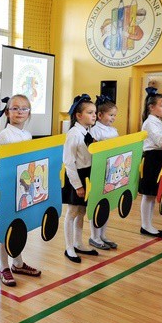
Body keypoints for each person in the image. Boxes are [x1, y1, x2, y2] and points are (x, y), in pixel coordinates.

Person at [0, 95, 42, 285]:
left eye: (24, 109)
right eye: (15, 108)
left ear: (29, 113)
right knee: (5, 227)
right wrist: (11, 162)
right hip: (8, 189)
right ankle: (3, 267)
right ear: (7, 112)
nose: (20, 112)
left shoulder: (26, 135)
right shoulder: (3, 136)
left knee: (19, 226)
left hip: (23, 190)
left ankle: (17, 263)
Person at [62, 93, 99, 261]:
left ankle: (78, 243)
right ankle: (69, 247)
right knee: (72, 211)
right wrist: (78, 185)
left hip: (87, 175)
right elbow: (69, 162)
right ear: (78, 115)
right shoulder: (74, 134)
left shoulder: (86, 132)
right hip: (76, 176)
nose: (94, 115)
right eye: (90, 112)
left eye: (95, 112)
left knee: (82, 211)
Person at [88, 95, 120, 249]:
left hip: (112, 172)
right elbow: (92, 151)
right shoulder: (94, 131)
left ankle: (103, 234)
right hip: (99, 172)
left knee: (107, 204)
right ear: (100, 115)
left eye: (114, 115)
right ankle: (94, 236)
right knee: (97, 204)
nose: (113, 118)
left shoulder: (114, 130)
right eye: (111, 115)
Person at [139, 87, 162, 237]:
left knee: (152, 194)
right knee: (148, 194)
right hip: (151, 158)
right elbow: (161, 142)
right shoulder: (150, 123)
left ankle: (148, 224)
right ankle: (145, 225)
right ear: (152, 107)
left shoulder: (159, 122)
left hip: (159, 158)